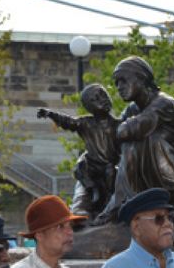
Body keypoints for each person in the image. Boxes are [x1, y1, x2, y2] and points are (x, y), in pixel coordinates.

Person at [95, 56, 174, 224]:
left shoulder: (163, 103)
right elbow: (114, 136)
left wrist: (119, 130)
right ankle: (106, 204)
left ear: (141, 78)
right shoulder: (133, 109)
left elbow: (129, 129)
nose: (119, 87)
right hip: (158, 172)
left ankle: (122, 205)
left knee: (141, 140)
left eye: (123, 81)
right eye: (116, 83)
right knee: (93, 159)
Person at [37, 84, 122, 217]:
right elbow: (68, 121)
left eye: (104, 95)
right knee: (81, 166)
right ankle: (92, 189)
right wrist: (50, 114)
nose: (103, 99)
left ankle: (110, 201)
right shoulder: (86, 123)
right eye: (96, 99)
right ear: (89, 107)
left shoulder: (119, 125)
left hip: (110, 165)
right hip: (93, 164)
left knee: (112, 173)